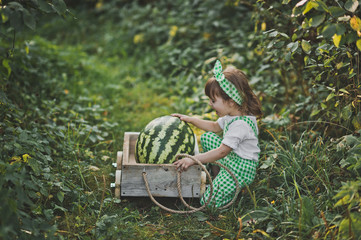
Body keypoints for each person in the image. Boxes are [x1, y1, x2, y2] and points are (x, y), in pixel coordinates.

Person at [172, 60, 262, 208]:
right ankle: (218, 178)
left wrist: (193, 160)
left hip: (241, 170)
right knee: (207, 137)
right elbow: (214, 127)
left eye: (213, 100)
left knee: (208, 203)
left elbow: (221, 152)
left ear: (230, 102)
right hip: (232, 159)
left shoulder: (240, 125)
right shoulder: (232, 115)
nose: (210, 104)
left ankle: (231, 189)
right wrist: (190, 119)